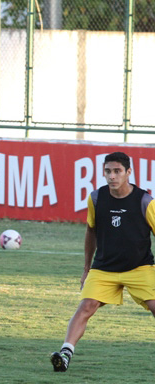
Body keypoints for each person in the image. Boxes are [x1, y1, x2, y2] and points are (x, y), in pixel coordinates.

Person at [51, 151, 155, 371]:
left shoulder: (145, 201)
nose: (112, 176)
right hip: (104, 268)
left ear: (129, 172)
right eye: (108, 171)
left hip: (139, 267)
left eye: (117, 171)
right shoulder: (96, 198)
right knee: (86, 306)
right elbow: (91, 231)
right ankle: (65, 353)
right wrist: (86, 268)